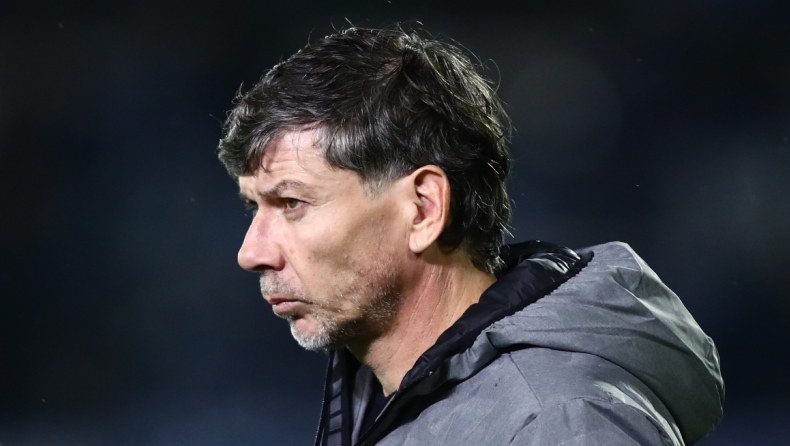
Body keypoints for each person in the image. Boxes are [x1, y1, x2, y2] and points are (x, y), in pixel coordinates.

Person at [216, 26, 724, 446]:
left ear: (423, 209)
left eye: (292, 203)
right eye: (254, 207)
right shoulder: (378, 398)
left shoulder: (559, 422)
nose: (251, 252)